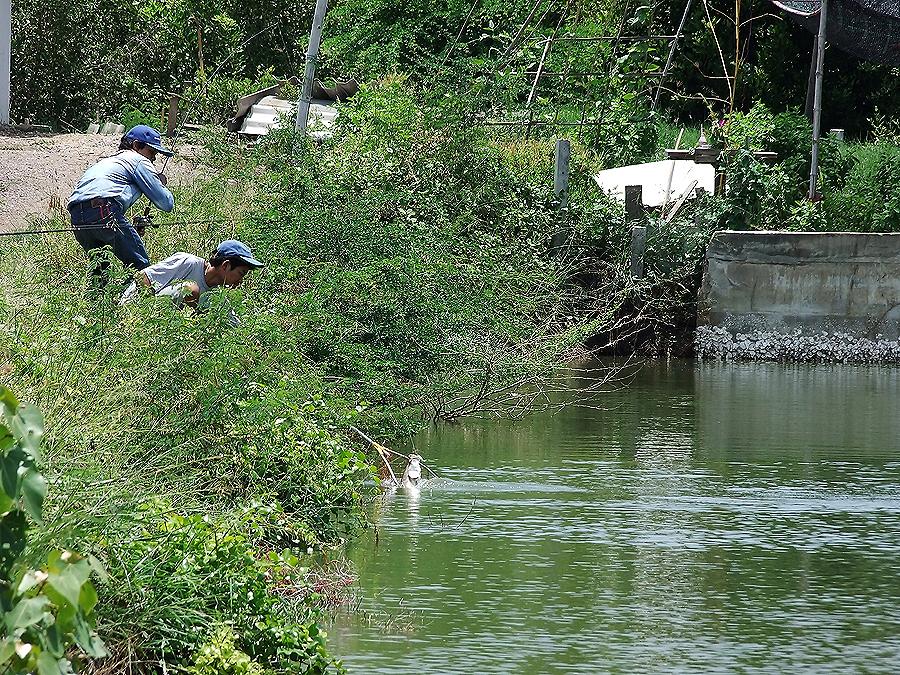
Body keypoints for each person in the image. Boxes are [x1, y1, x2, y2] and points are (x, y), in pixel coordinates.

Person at [67, 124, 175, 280]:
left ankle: (98, 302)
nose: (154, 158)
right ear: (136, 145)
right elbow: (166, 203)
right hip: (104, 209)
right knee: (139, 266)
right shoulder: (137, 160)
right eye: (152, 152)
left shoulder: (109, 161)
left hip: (77, 215)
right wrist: (160, 182)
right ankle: (133, 303)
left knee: (99, 270)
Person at [120, 240, 264, 310]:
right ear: (225, 265)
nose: (241, 280)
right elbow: (142, 277)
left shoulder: (216, 296)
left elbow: (233, 327)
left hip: (158, 332)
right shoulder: (188, 262)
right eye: (241, 273)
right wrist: (138, 316)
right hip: (135, 312)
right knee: (191, 289)